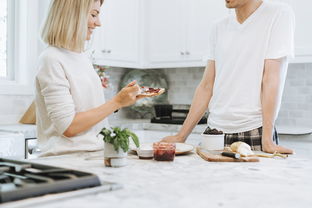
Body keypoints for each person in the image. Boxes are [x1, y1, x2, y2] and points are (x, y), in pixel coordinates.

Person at [162, 0, 294, 154]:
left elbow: (271, 79)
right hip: (213, 131)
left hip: (253, 130)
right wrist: (181, 136)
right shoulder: (219, 27)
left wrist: (267, 140)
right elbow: (206, 86)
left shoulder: (278, 14)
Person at [35, 0, 141, 156]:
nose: (98, 23)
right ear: (73, 15)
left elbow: (89, 112)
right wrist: (117, 101)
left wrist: (122, 100)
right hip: (66, 161)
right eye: (93, 15)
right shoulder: (51, 58)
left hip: (92, 156)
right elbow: (68, 127)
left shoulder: (81, 57)